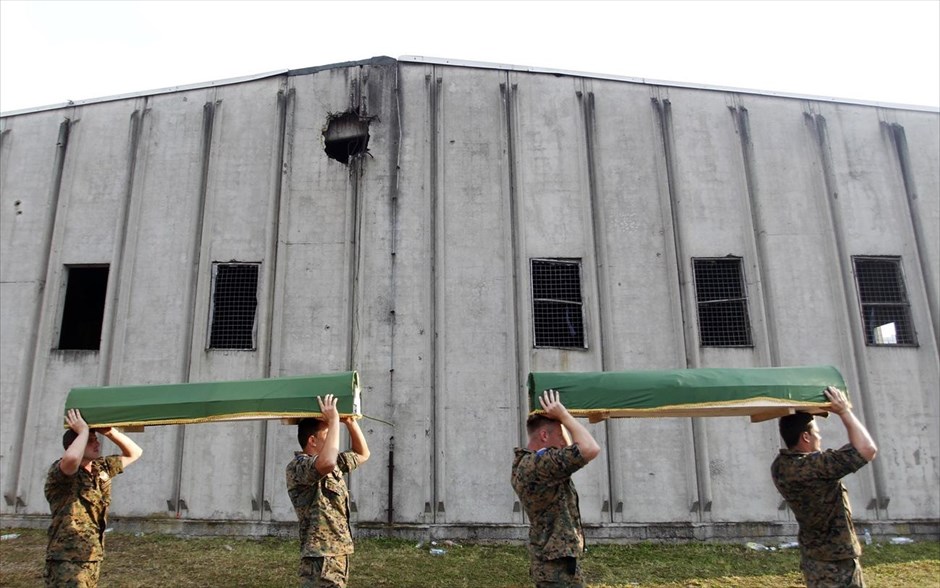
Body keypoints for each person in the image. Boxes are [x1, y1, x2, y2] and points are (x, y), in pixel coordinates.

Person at [771, 386, 878, 588]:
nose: (820, 438)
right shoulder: (815, 467)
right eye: (817, 433)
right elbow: (867, 449)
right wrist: (844, 411)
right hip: (836, 562)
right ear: (805, 437)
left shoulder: (780, 466)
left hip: (813, 558)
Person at [511, 389, 601, 588]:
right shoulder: (538, 465)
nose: (565, 442)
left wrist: (560, 420)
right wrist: (563, 415)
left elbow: (572, 447)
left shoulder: (536, 463)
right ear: (544, 435)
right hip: (554, 570)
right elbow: (589, 448)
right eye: (561, 435)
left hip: (557, 564)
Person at [44, 408, 143, 587]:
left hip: (92, 555)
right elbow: (72, 458)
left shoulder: (100, 468)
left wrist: (110, 432)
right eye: (90, 441)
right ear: (75, 445)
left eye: (96, 439)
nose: (96, 444)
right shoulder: (61, 472)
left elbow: (134, 453)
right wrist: (82, 431)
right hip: (66, 559)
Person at [286, 394, 370, 588]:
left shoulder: (333, 465)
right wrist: (332, 420)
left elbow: (362, 453)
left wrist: (348, 422)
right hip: (320, 557)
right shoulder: (298, 466)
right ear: (312, 440)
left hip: (337, 554)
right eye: (328, 433)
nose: (334, 435)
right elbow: (327, 462)